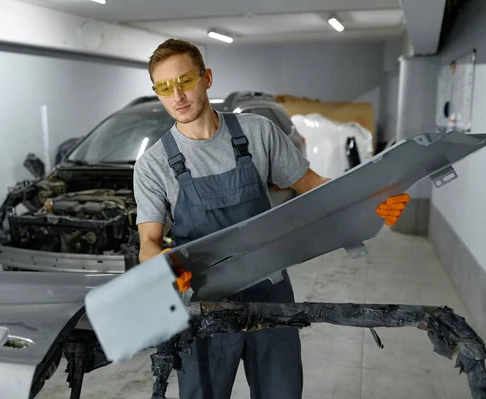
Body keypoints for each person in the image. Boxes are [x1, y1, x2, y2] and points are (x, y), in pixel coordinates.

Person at [133, 38, 409, 399]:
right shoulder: (153, 165)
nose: (177, 96)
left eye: (185, 80)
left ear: (207, 78)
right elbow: (148, 244)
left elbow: (315, 188)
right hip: (203, 303)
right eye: (165, 87)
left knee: (281, 391)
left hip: (271, 291)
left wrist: (371, 200)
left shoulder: (257, 132)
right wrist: (163, 268)